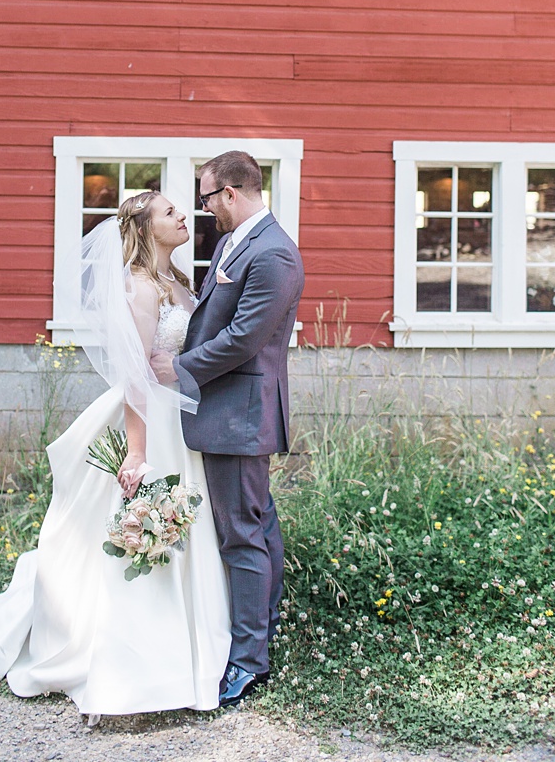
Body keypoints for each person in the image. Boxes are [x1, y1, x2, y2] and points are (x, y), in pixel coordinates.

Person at [0, 190, 231, 716]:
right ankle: (141, 655)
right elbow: (135, 375)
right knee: (141, 522)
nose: (184, 217)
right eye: (171, 213)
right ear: (147, 229)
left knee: (192, 527)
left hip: (181, 417)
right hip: (149, 420)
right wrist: (136, 453)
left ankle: (196, 639)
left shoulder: (177, 281)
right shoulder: (137, 287)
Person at [181, 150, 305, 707]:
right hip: (229, 409)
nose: (206, 213)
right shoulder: (240, 242)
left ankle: (250, 660)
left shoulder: (274, 253)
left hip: (240, 412)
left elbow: (244, 339)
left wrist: (176, 368)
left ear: (230, 193)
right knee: (258, 523)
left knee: (241, 534)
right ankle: (265, 627)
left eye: (207, 200)